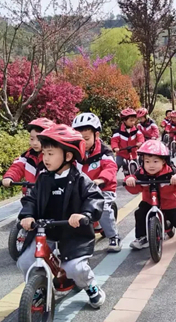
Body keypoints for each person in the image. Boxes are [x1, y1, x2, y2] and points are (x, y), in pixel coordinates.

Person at [16, 124, 107, 308]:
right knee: (25, 262)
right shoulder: (43, 179)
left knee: (74, 267)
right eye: (44, 153)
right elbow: (31, 199)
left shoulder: (80, 179)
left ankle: (90, 286)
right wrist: (27, 215)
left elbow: (95, 198)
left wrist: (84, 214)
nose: (45, 158)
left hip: (73, 234)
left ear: (68, 156)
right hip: (46, 232)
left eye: (51, 154)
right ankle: (39, 288)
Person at [124, 140, 176, 249]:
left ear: (163, 161)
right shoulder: (141, 173)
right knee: (140, 214)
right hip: (149, 201)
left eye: (155, 161)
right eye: (147, 162)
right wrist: (130, 181)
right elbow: (135, 188)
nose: (151, 165)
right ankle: (142, 237)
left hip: (170, 202)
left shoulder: (170, 172)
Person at [72, 112, 122, 252]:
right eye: (79, 139)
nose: (83, 142)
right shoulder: (74, 153)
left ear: (97, 135)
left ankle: (114, 237)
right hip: (82, 189)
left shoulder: (104, 152)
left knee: (104, 208)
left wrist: (101, 179)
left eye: (86, 138)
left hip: (103, 188)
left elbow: (111, 167)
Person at [1, 118, 54, 193]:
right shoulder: (27, 156)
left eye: (39, 139)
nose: (34, 143)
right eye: (32, 139)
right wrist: (9, 177)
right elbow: (17, 167)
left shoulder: (55, 157)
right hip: (30, 195)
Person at [111, 108, 144, 175]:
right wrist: (115, 147)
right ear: (124, 121)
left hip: (133, 153)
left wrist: (140, 142)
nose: (133, 122)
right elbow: (114, 140)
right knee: (117, 164)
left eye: (134, 120)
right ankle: (111, 177)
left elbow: (140, 136)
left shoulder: (136, 130)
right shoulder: (118, 132)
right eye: (131, 121)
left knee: (138, 167)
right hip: (121, 153)